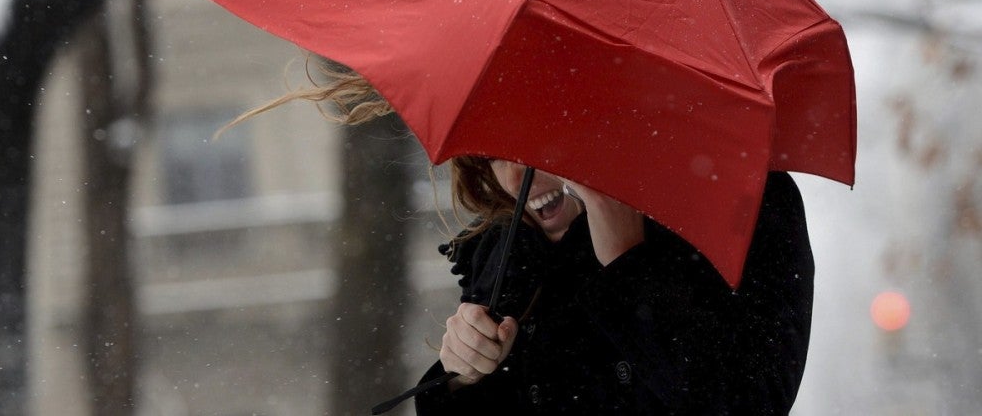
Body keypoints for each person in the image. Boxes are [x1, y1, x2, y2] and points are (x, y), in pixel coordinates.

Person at [237, 61, 815, 415]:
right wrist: (461, 378)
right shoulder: (505, 252)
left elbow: (746, 400)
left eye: (537, 139)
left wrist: (625, 257)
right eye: (493, 152)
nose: (515, 178)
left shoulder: (742, 200)